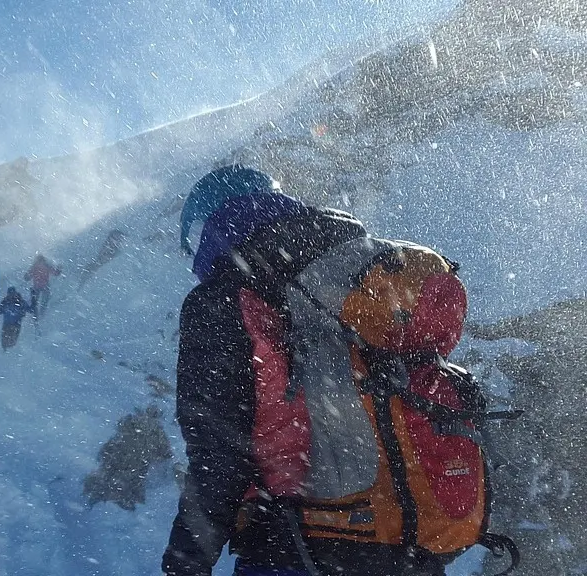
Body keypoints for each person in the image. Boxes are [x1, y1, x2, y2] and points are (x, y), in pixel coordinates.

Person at [162, 165, 507, 576]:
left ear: (208, 228)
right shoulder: (351, 271)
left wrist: (185, 562)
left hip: (300, 545)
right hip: (409, 548)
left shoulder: (225, 297)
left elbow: (218, 453)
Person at [24, 254, 61, 319]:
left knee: (35, 303)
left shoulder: (34, 267)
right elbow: (55, 273)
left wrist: (26, 276)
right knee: (44, 302)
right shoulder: (46, 266)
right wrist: (59, 270)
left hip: (36, 287)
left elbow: (27, 277)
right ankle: (41, 314)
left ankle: (35, 316)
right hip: (44, 286)